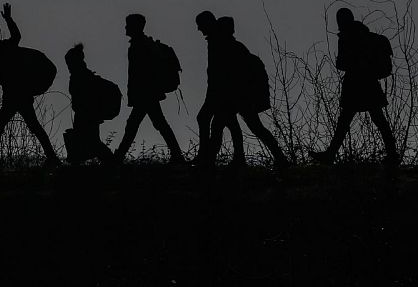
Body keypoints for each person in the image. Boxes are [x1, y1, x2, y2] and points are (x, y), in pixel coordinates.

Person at [310, 8, 400, 166]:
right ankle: (392, 154)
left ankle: (330, 155)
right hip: (368, 83)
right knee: (377, 120)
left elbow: (342, 63)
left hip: (355, 84)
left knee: (347, 122)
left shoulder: (347, 37)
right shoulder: (366, 35)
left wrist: (350, 63)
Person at [0, 3, 61, 166]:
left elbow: (16, 36)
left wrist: (9, 19)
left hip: (17, 96)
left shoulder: (5, 48)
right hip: (15, 96)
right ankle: (52, 158)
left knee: (0, 126)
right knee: (32, 127)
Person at [206, 16, 289, 170]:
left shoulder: (229, 48)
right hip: (240, 96)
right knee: (251, 128)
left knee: (219, 127)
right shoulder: (235, 47)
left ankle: (210, 163)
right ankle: (277, 158)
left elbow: (230, 75)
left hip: (236, 96)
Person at [114, 14, 186, 163]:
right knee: (155, 124)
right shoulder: (143, 44)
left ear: (136, 26)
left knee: (135, 125)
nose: (126, 27)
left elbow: (140, 73)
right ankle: (177, 155)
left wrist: (139, 92)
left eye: (128, 25)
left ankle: (118, 157)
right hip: (147, 93)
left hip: (145, 93)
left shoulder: (141, 46)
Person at [194, 11, 244, 167]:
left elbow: (221, 71)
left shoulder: (218, 41)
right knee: (226, 123)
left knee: (216, 122)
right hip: (219, 91)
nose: (199, 29)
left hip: (222, 92)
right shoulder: (216, 40)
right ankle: (210, 157)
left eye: (200, 25)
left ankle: (207, 157)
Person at [63, 43, 118, 164]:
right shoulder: (83, 74)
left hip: (86, 116)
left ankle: (113, 164)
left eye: (69, 62)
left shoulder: (81, 76)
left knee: (91, 144)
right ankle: (112, 164)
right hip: (87, 115)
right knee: (89, 143)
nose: (68, 65)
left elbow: (84, 98)